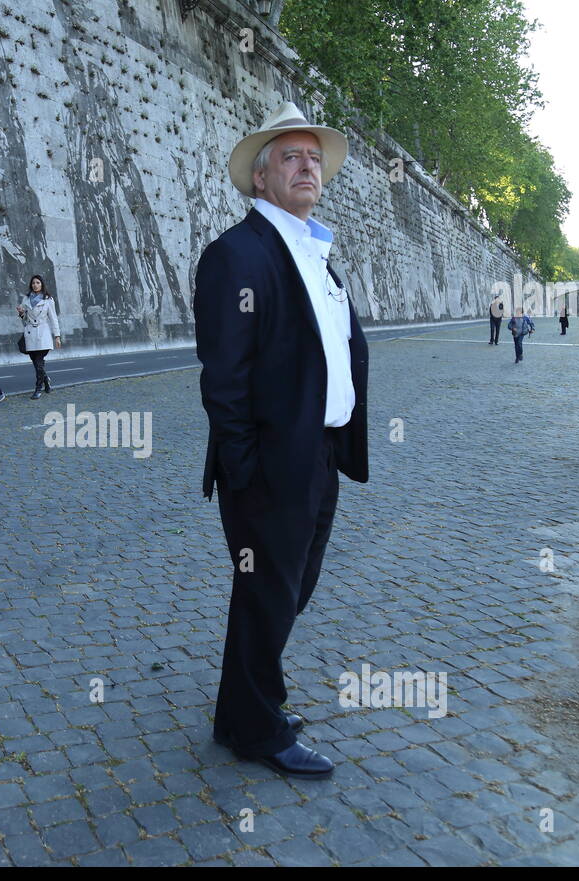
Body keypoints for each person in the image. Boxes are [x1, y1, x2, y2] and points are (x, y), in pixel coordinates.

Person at [194, 101, 368, 779]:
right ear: (260, 179)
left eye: (314, 157)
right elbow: (224, 378)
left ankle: (240, 714)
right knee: (269, 594)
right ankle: (259, 729)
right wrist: (246, 471)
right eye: (291, 157)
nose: (307, 165)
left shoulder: (316, 253)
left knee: (283, 592)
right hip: (270, 467)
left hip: (317, 456)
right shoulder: (236, 255)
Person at [17, 275, 61, 399]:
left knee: (39, 363)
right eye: (33, 283)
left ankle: (38, 388)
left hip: (43, 334)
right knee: (36, 364)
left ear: (42, 284)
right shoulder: (26, 299)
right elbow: (25, 318)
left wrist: (57, 336)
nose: (35, 285)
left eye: (38, 282)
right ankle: (46, 380)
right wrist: (21, 313)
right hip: (30, 333)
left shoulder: (48, 300)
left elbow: (53, 319)